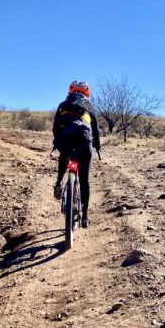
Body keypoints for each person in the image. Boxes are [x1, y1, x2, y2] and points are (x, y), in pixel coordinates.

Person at [52, 80, 101, 227]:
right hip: (84, 143)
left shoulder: (62, 105)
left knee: (64, 157)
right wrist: (97, 147)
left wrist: (57, 142)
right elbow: (96, 132)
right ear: (87, 93)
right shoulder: (90, 107)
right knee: (84, 180)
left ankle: (59, 182)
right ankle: (85, 217)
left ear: (70, 91)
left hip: (66, 140)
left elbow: (55, 128)